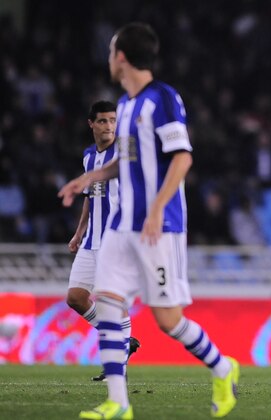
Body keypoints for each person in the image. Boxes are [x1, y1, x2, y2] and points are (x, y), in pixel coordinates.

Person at [59, 23, 239, 419]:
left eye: (110, 53)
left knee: (168, 320)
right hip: (122, 226)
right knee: (106, 303)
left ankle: (224, 369)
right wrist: (87, 179)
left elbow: (182, 157)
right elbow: (123, 164)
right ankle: (118, 402)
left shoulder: (164, 99)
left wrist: (157, 207)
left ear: (121, 57)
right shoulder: (123, 108)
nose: (108, 60)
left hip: (160, 225)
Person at [66, 100, 140, 382]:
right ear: (91, 124)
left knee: (112, 301)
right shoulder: (88, 157)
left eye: (113, 120)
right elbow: (91, 197)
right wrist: (79, 231)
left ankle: (117, 361)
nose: (109, 126)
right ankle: (123, 341)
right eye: (103, 121)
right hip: (90, 241)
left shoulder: (126, 152)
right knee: (75, 298)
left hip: (117, 240)